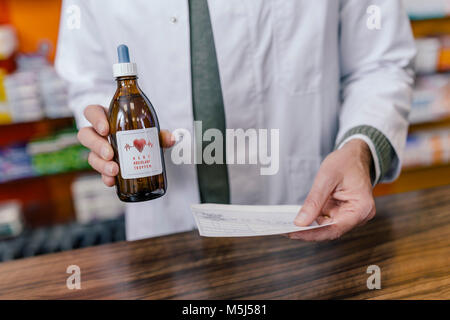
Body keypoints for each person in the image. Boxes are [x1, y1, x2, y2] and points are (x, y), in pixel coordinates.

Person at [55, 0, 416, 241]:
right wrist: (105, 129)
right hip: (166, 222)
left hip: (303, 208)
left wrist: (361, 148)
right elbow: (87, 77)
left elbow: (380, 62)